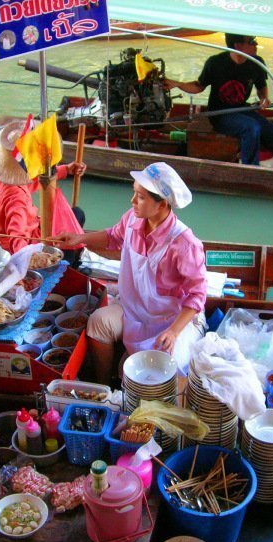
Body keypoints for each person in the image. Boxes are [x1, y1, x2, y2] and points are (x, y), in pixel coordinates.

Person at [51, 162, 206, 384]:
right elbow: (113, 236)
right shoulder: (133, 218)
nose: (133, 201)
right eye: (134, 193)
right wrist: (80, 238)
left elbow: (197, 295)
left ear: (162, 204)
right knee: (98, 323)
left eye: (141, 197)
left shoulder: (184, 243)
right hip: (133, 309)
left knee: (162, 370)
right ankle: (105, 385)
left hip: (168, 319)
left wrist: (173, 331)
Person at [163, 33, 273, 166]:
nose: (256, 44)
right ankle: (249, 170)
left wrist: (264, 98)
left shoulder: (256, 63)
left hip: (242, 109)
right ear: (238, 46)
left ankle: (248, 149)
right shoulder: (216, 63)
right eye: (251, 41)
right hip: (220, 114)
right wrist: (178, 84)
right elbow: (199, 86)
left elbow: (261, 87)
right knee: (251, 127)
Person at [0, 118, 86, 255]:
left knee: (75, 214)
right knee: (77, 217)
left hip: (6, 236)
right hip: (19, 246)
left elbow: (32, 182)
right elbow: (17, 237)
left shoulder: (4, 179)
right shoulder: (16, 197)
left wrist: (66, 170)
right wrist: (31, 260)